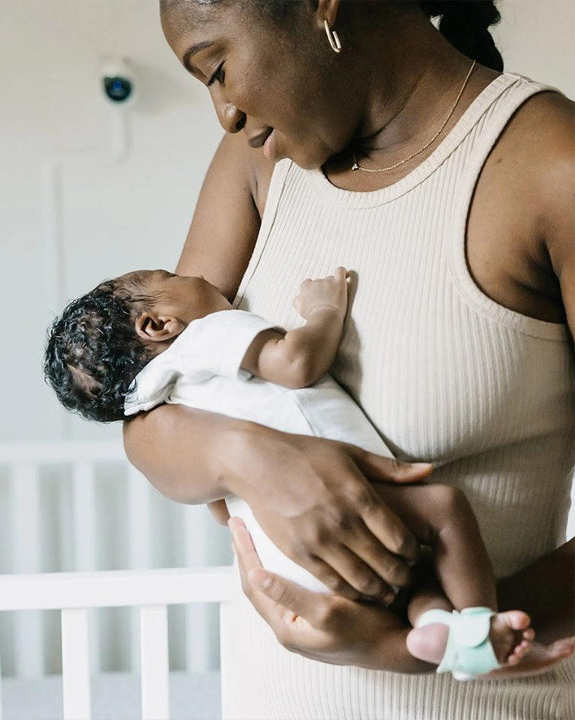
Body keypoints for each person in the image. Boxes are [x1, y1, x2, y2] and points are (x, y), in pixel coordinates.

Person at [122, 0, 575, 717]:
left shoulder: (552, 165)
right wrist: (248, 457)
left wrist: (417, 638)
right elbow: (151, 414)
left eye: (217, 69)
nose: (226, 115)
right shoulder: (255, 166)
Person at [44, 266, 536, 677]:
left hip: (291, 562)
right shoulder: (205, 336)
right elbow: (295, 362)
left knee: (417, 581)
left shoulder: (160, 395)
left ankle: (437, 631)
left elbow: (215, 502)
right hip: (349, 512)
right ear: (158, 325)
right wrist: (325, 311)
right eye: (171, 274)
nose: (193, 271)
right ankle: (480, 629)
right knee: (445, 508)